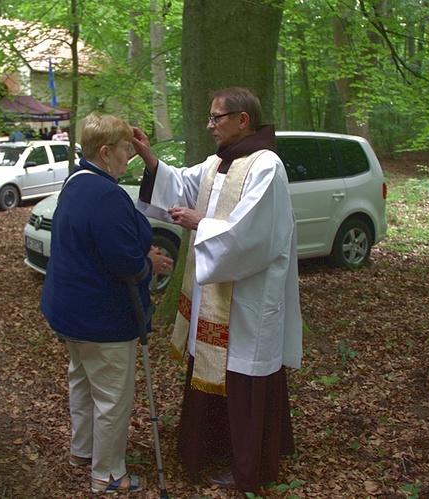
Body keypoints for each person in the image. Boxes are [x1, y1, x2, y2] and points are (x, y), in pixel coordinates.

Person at [133, 87, 303, 495]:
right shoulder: (217, 164)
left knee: (244, 377)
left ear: (242, 119)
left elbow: (255, 235)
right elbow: (182, 186)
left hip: (248, 297)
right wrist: (151, 160)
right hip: (217, 297)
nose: (210, 126)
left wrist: (200, 225)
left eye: (216, 118)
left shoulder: (267, 166)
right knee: (212, 370)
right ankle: (207, 451)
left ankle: (252, 467)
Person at [40, 114, 173, 494]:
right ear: (104, 152)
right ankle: (109, 474)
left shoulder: (76, 182)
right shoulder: (107, 194)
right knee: (113, 396)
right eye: (124, 149)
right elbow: (125, 263)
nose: (128, 155)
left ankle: (82, 450)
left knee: (81, 382)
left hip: (69, 310)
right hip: (102, 315)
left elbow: (96, 243)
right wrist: (149, 262)